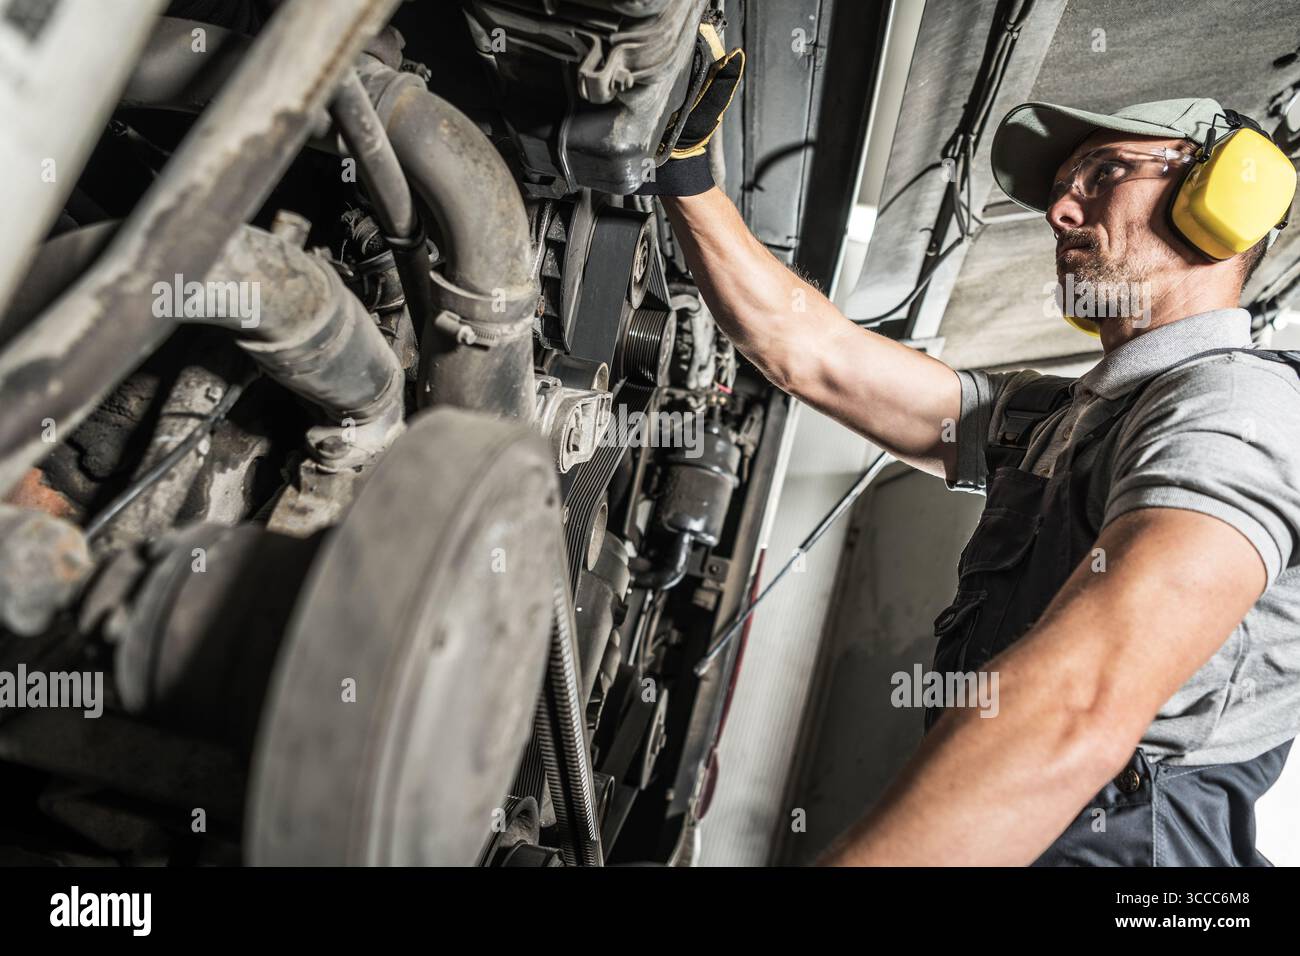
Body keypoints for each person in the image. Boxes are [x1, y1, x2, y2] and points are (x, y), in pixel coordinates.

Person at [648, 30, 1300, 865]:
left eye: (1104, 175)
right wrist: (684, 170)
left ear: (1226, 198)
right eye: (1062, 190)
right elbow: (812, 353)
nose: (1061, 211)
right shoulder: (1061, 417)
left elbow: (1081, 701)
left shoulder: (1234, 406)